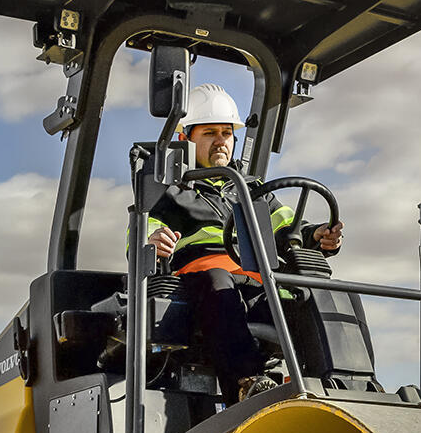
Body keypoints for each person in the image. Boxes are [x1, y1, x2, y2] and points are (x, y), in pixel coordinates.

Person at [144, 83, 343, 400]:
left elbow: (285, 222)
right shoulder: (170, 190)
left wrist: (316, 234)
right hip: (202, 287)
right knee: (218, 280)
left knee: (312, 292)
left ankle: (339, 384)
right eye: (209, 133)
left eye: (226, 133)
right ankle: (246, 383)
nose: (220, 141)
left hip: (253, 283)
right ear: (186, 139)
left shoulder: (252, 189)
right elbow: (143, 229)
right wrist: (152, 240)